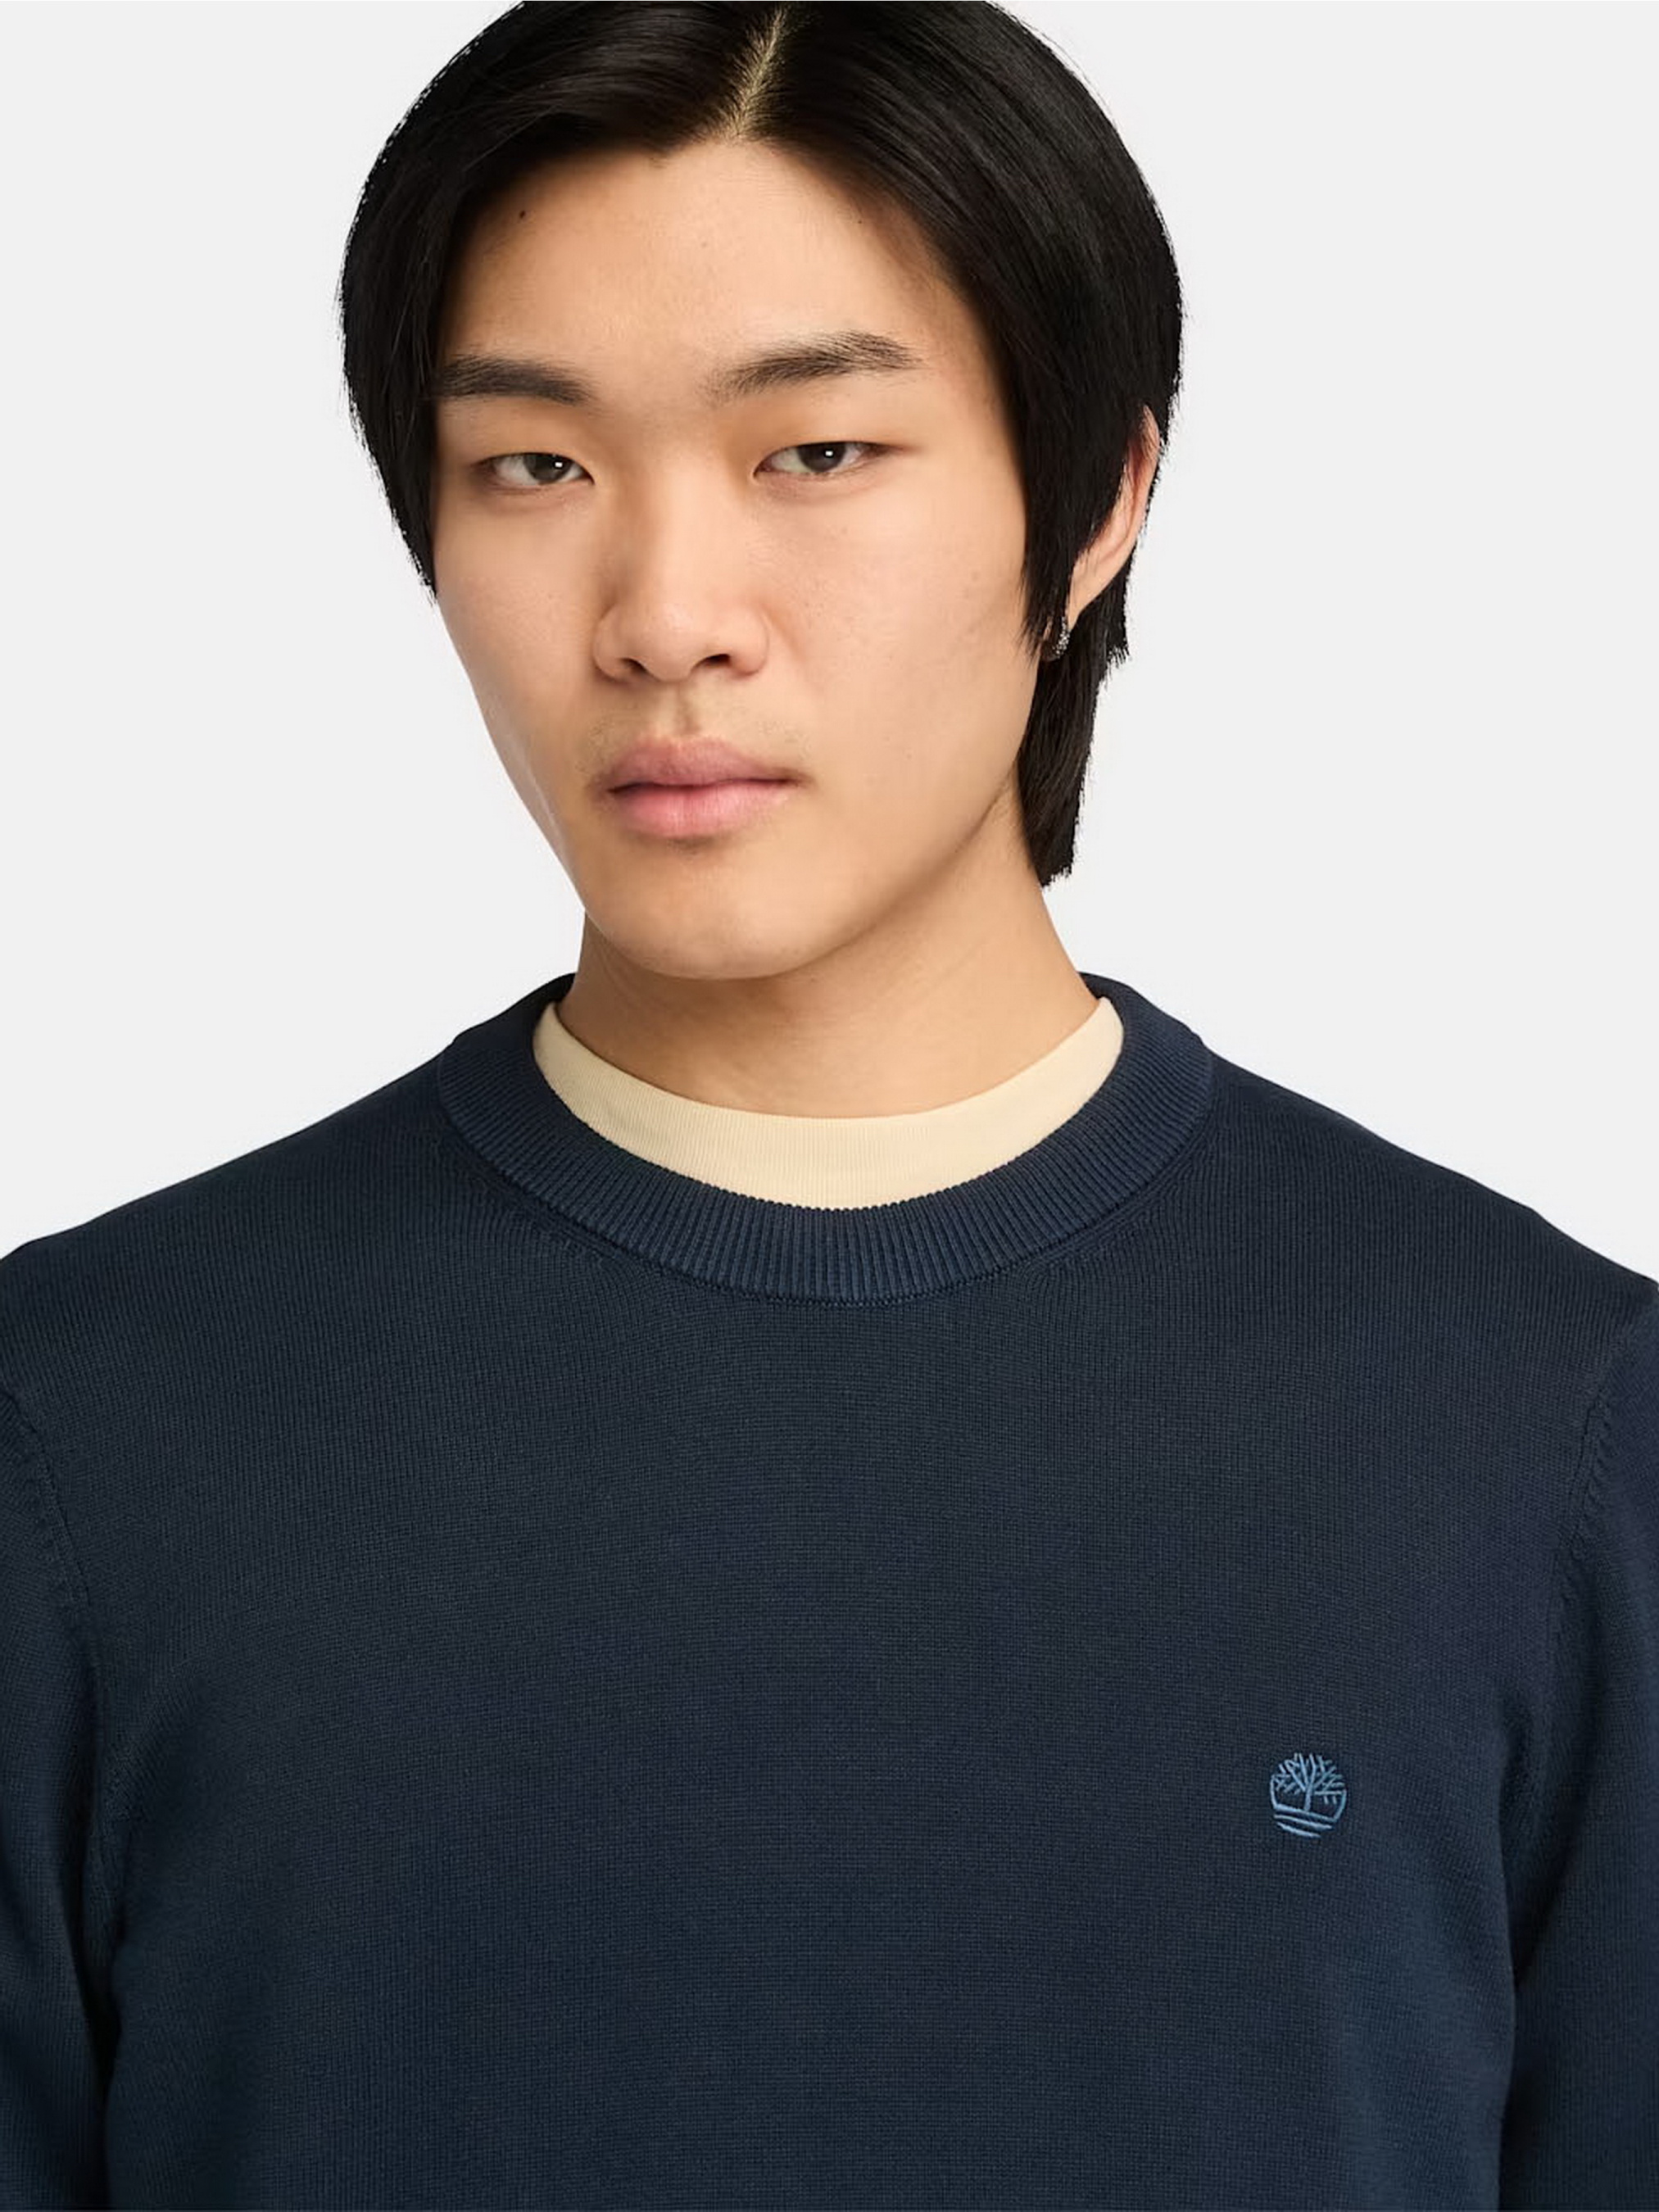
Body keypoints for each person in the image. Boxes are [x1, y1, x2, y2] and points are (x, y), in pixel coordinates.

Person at [1, 4, 1653, 2205]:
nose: (665, 617)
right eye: (536, 466)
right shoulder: (80, 1432)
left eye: (816, 452)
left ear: (1098, 501)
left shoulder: (1548, 1431)